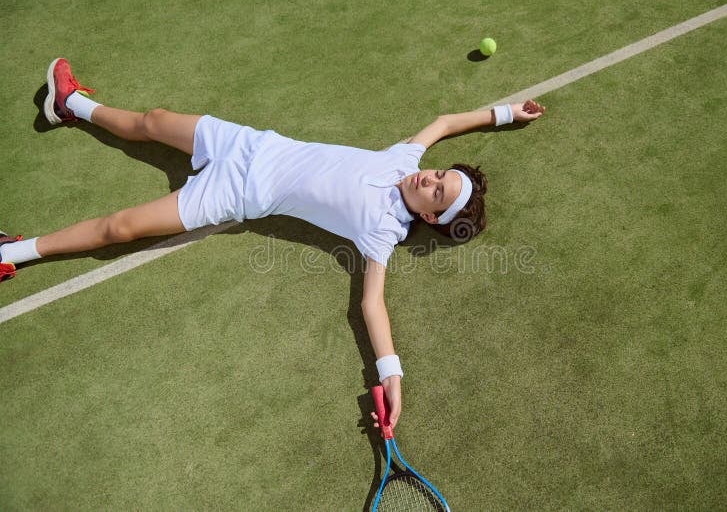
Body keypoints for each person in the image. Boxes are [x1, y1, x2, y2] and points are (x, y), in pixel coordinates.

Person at [0, 58, 545, 427]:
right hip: (247, 143)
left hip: (232, 195)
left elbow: (371, 304)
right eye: (437, 174)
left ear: (429, 218)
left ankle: (11, 253)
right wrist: (503, 114)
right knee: (153, 120)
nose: (427, 178)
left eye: (436, 191)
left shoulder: (382, 232)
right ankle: (69, 105)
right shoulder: (404, 159)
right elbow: (445, 123)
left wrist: (391, 373)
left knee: (119, 228)